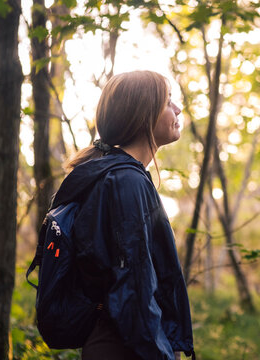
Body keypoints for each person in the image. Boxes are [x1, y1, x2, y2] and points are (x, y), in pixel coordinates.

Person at [53, 70, 194, 359]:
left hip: (119, 340)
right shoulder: (125, 182)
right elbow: (134, 289)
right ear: (144, 113)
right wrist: (162, 354)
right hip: (126, 346)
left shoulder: (115, 175)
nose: (178, 109)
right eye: (168, 101)